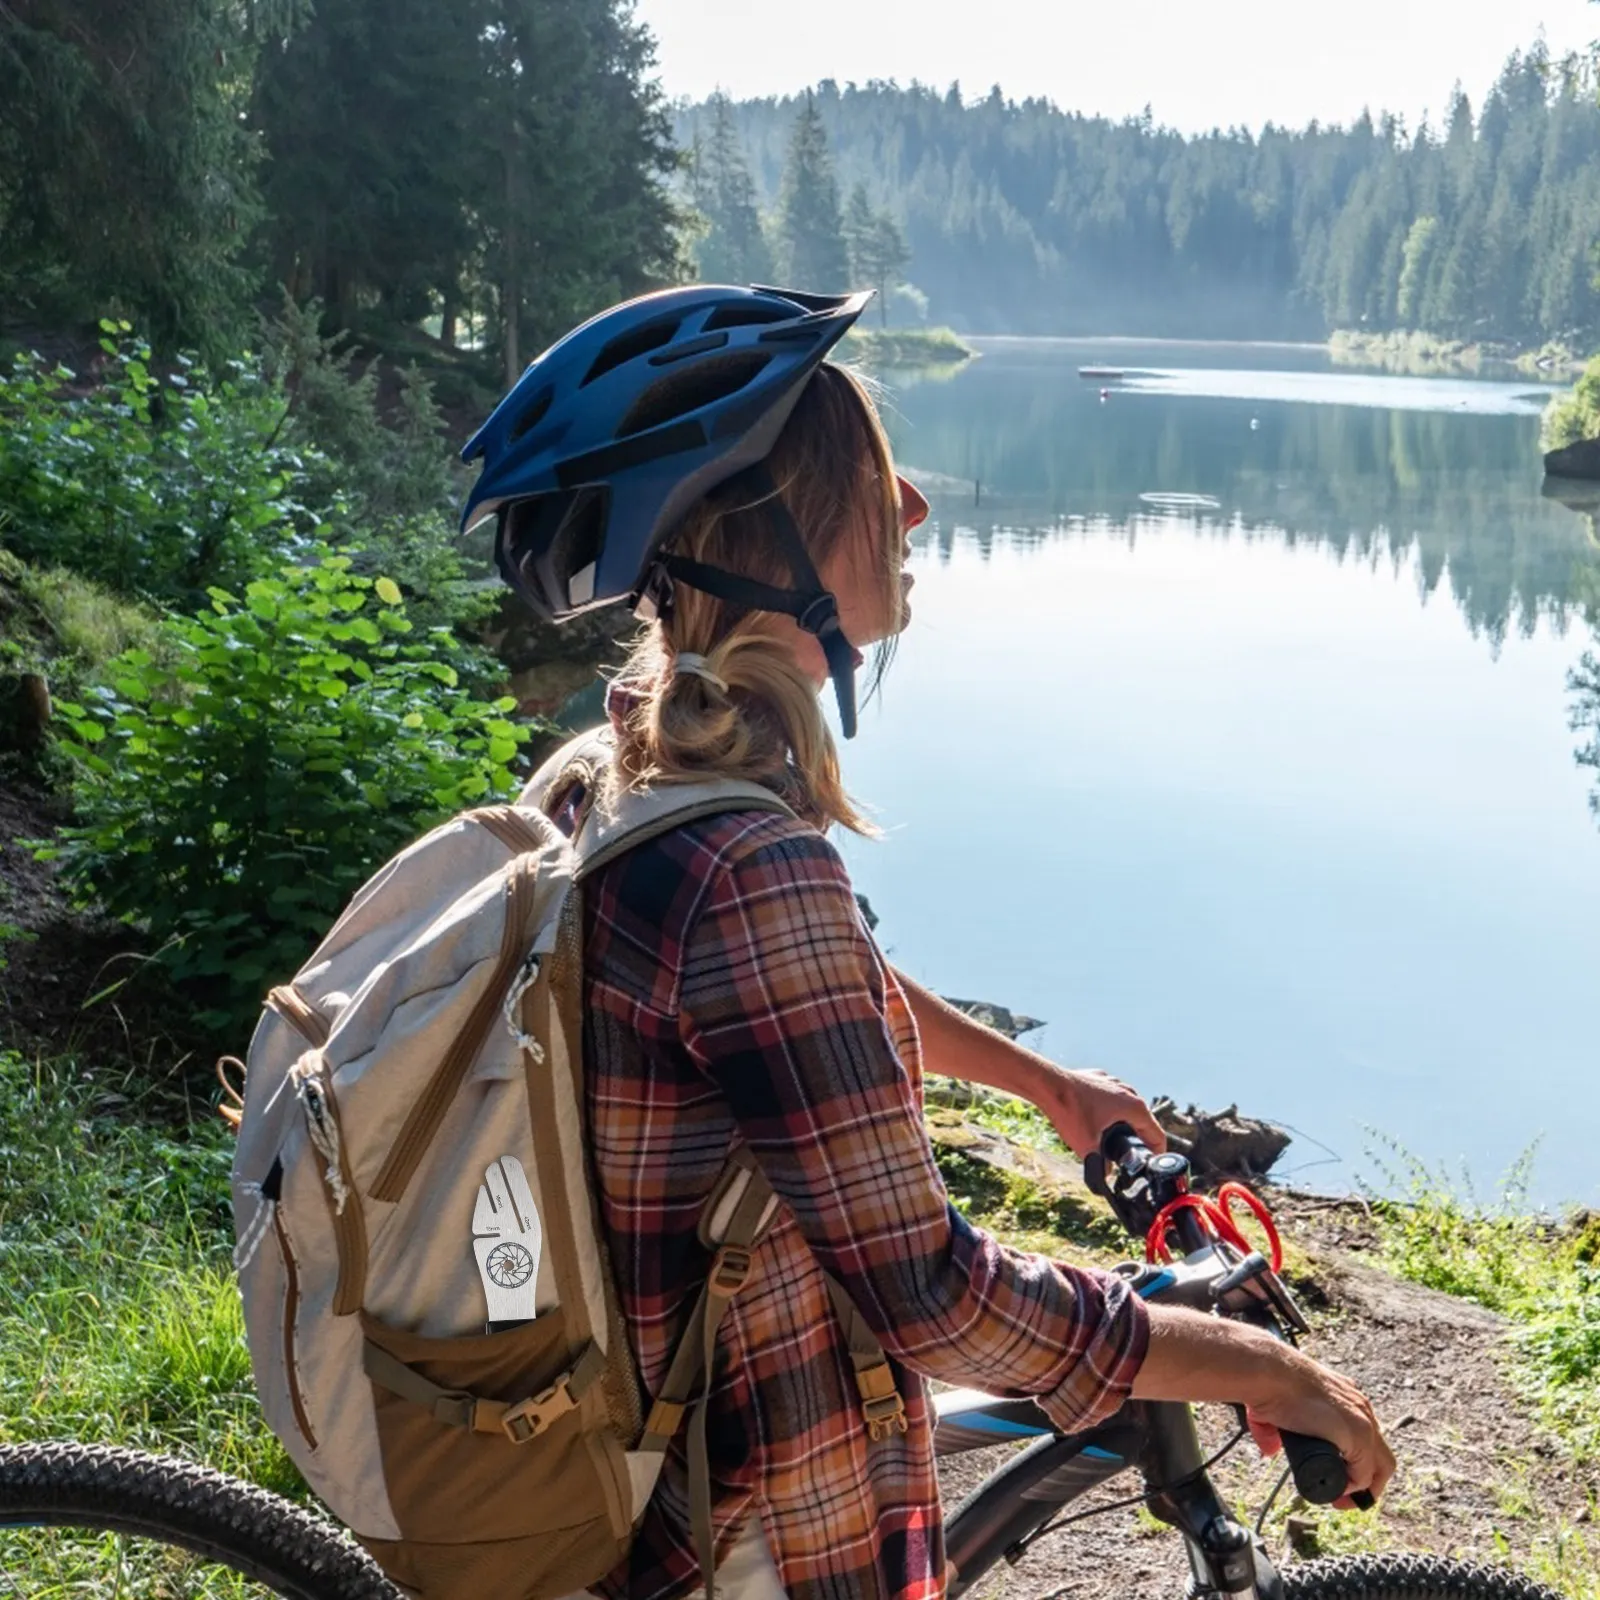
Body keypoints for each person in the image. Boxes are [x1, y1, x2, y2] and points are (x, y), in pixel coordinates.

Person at [461, 285, 1394, 1600]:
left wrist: (1039, 1082)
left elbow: (802, 1005)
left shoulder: (612, 782)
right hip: (758, 1536)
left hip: (631, 1481)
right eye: (871, 479)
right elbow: (938, 1301)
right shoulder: (751, 876)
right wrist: (1264, 1370)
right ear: (767, 538)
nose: (915, 508)